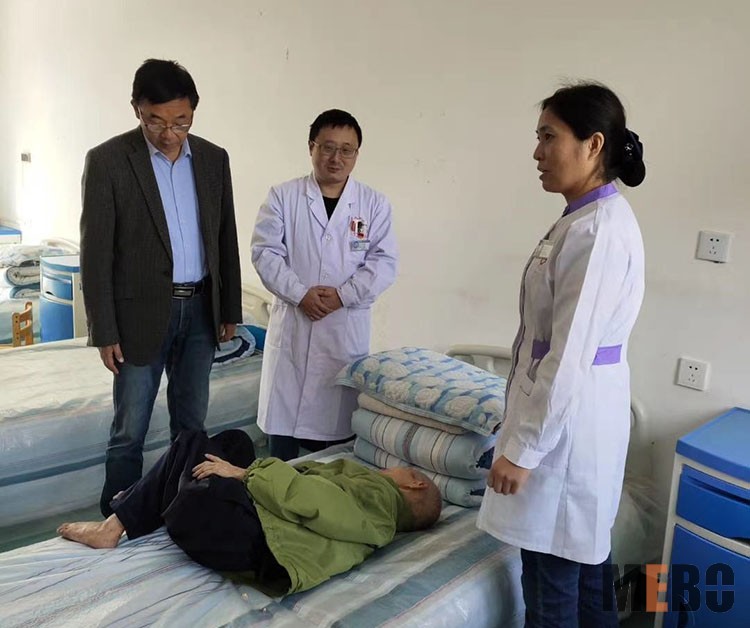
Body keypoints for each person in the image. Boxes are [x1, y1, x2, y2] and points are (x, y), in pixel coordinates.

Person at [476, 82, 646, 627]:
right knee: (589, 582)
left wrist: (522, 451)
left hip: (565, 438)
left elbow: (568, 357)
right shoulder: (583, 219)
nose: (537, 152)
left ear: (593, 145)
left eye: (549, 137)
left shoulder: (596, 233)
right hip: (575, 425)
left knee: (551, 596)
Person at [80, 59, 242, 517]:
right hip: (139, 315)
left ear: (193, 112)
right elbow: (95, 253)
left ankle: (184, 511)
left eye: (181, 121)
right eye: (156, 121)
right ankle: (116, 518)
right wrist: (104, 330)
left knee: (192, 424)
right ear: (136, 109)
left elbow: (224, 236)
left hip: (201, 310)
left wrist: (230, 307)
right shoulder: (109, 161)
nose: (169, 134)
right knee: (129, 429)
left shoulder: (213, 159)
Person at [57, 429, 442, 595]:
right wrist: (243, 471)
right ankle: (152, 494)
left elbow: (318, 500)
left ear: (414, 484)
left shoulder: (379, 499)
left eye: (403, 469)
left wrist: (243, 474)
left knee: (191, 442)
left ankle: (114, 525)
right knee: (236, 442)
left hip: (252, 543)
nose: (391, 468)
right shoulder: (377, 513)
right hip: (252, 531)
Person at [251, 109, 398, 460]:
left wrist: (343, 296)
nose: (337, 158)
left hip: (342, 331)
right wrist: (300, 294)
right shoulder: (283, 196)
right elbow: (265, 253)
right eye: (328, 147)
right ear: (311, 147)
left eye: (347, 150)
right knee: (281, 448)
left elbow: (384, 262)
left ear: (357, 154)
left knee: (332, 449)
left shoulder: (374, 205)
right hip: (294, 326)